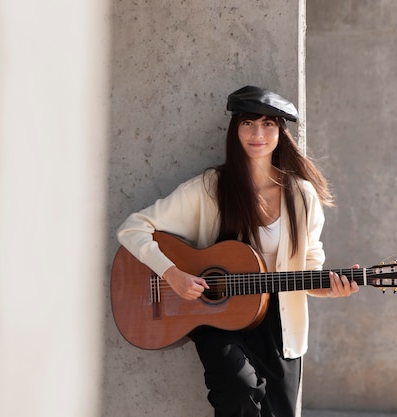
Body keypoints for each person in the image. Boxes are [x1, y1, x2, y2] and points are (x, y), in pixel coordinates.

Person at [116, 85, 359, 417]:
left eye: (268, 124)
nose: (257, 133)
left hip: (279, 324)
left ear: (280, 132)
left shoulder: (302, 196)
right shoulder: (210, 188)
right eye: (248, 123)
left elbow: (310, 268)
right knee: (238, 390)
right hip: (218, 318)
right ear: (235, 129)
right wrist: (171, 274)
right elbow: (132, 227)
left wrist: (331, 290)